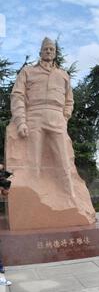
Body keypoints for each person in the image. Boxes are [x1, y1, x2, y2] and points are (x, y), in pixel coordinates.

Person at [10, 37, 75, 197]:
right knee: (34, 161)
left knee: (63, 160)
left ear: (55, 53)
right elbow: (17, 95)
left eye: (51, 49)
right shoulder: (28, 71)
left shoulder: (63, 75)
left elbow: (69, 100)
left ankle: (69, 195)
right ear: (40, 52)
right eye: (46, 49)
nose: (48, 51)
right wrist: (20, 122)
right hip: (34, 116)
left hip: (57, 117)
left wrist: (65, 118)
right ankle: (34, 196)